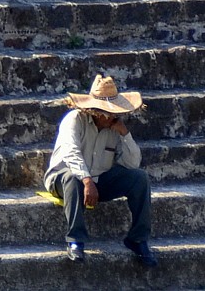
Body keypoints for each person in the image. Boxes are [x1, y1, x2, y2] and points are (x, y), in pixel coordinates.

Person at [45, 74, 153, 265]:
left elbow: (132, 163)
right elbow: (71, 153)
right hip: (64, 178)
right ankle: (75, 240)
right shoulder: (74, 120)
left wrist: (125, 133)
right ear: (95, 110)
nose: (112, 116)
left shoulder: (115, 127)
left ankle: (137, 239)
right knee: (72, 177)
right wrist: (86, 180)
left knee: (140, 178)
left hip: (99, 179)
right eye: (107, 112)